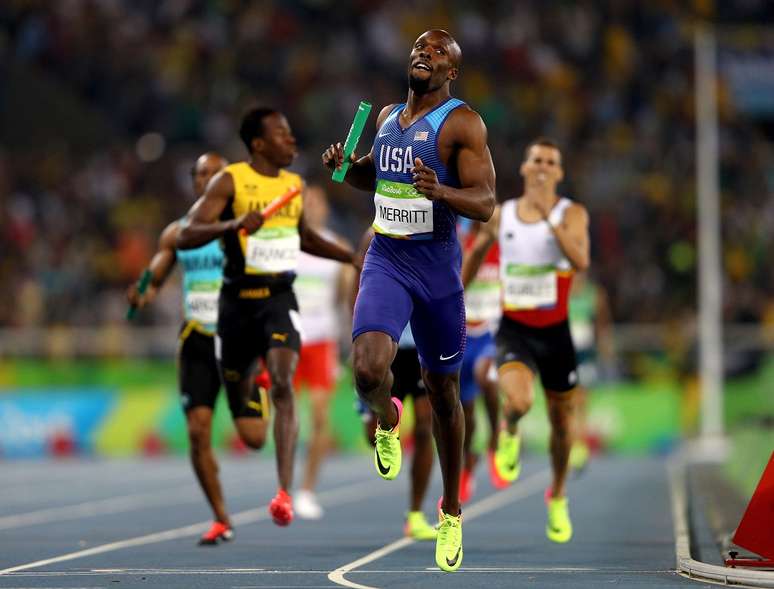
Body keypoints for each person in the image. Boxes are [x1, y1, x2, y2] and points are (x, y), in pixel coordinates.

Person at [322, 29, 496, 572]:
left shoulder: (463, 124)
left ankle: (450, 510)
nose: (426, 52)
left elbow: (487, 202)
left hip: (437, 274)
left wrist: (441, 191)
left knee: (444, 397)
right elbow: (376, 180)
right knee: (369, 372)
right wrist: (346, 169)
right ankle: (388, 417)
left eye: (440, 51)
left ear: (452, 72)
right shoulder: (386, 119)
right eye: (421, 46)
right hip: (388, 262)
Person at [177, 107, 357, 527]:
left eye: (292, 133)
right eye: (282, 134)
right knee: (253, 436)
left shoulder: (294, 186)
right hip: (237, 306)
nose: (292, 140)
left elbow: (306, 239)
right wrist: (236, 223)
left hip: (278, 300)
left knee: (283, 381)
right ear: (258, 144)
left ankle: (284, 491)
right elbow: (188, 234)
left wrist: (351, 256)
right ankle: (251, 372)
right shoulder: (231, 181)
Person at [462, 138, 590, 544]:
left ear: (559, 173)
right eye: (536, 159)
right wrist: (452, 296)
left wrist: (548, 219)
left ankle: (558, 495)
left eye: (550, 162)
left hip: (555, 333)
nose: (542, 167)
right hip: (514, 327)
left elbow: (580, 260)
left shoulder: (572, 214)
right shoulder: (503, 216)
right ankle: (511, 429)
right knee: (518, 400)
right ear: (523, 167)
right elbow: (478, 251)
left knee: (561, 426)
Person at [127, 152, 257, 546]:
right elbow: (156, 274)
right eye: (199, 174)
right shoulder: (178, 232)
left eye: (213, 174)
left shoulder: (245, 226)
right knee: (198, 432)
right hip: (197, 338)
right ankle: (221, 516)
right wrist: (144, 291)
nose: (205, 180)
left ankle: (262, 384)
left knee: (253, 438)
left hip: (237, 337)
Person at [351, 229, 438, 540]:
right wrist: (356, 337)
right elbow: (358, 288)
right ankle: (387, 421)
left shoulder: (434, 234)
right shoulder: (373, 237)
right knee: (370, 436)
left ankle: (415, 514)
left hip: (419, 345)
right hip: (383, 344)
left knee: (427, 425)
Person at [292, 185, 354, 519]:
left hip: (321, 342)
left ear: (326, 209)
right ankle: (284, 487)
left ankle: (307, 490)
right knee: (287, 419)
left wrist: (350, 342)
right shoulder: (284, 246)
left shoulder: (337, 248)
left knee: (318, 417)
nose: (312, 207)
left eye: (317, 202)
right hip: (285, 340)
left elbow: (349, 299)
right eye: (306, 202)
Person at [458, 219, 504, 502]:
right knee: (467, 412)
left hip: (492, 331)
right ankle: (467, 462)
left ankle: (496, 441)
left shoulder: (504, 244)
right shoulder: (458, 241)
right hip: (463, 331)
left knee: (486, 376)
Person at [567, 271, 614, 472]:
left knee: (582, 399)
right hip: (565, 352)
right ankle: (569, 443)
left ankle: (579, 445)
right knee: (568, 400)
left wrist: (605, 343)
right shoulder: (563, 293)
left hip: (585, 353)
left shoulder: (594, 295)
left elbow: (603, 323)